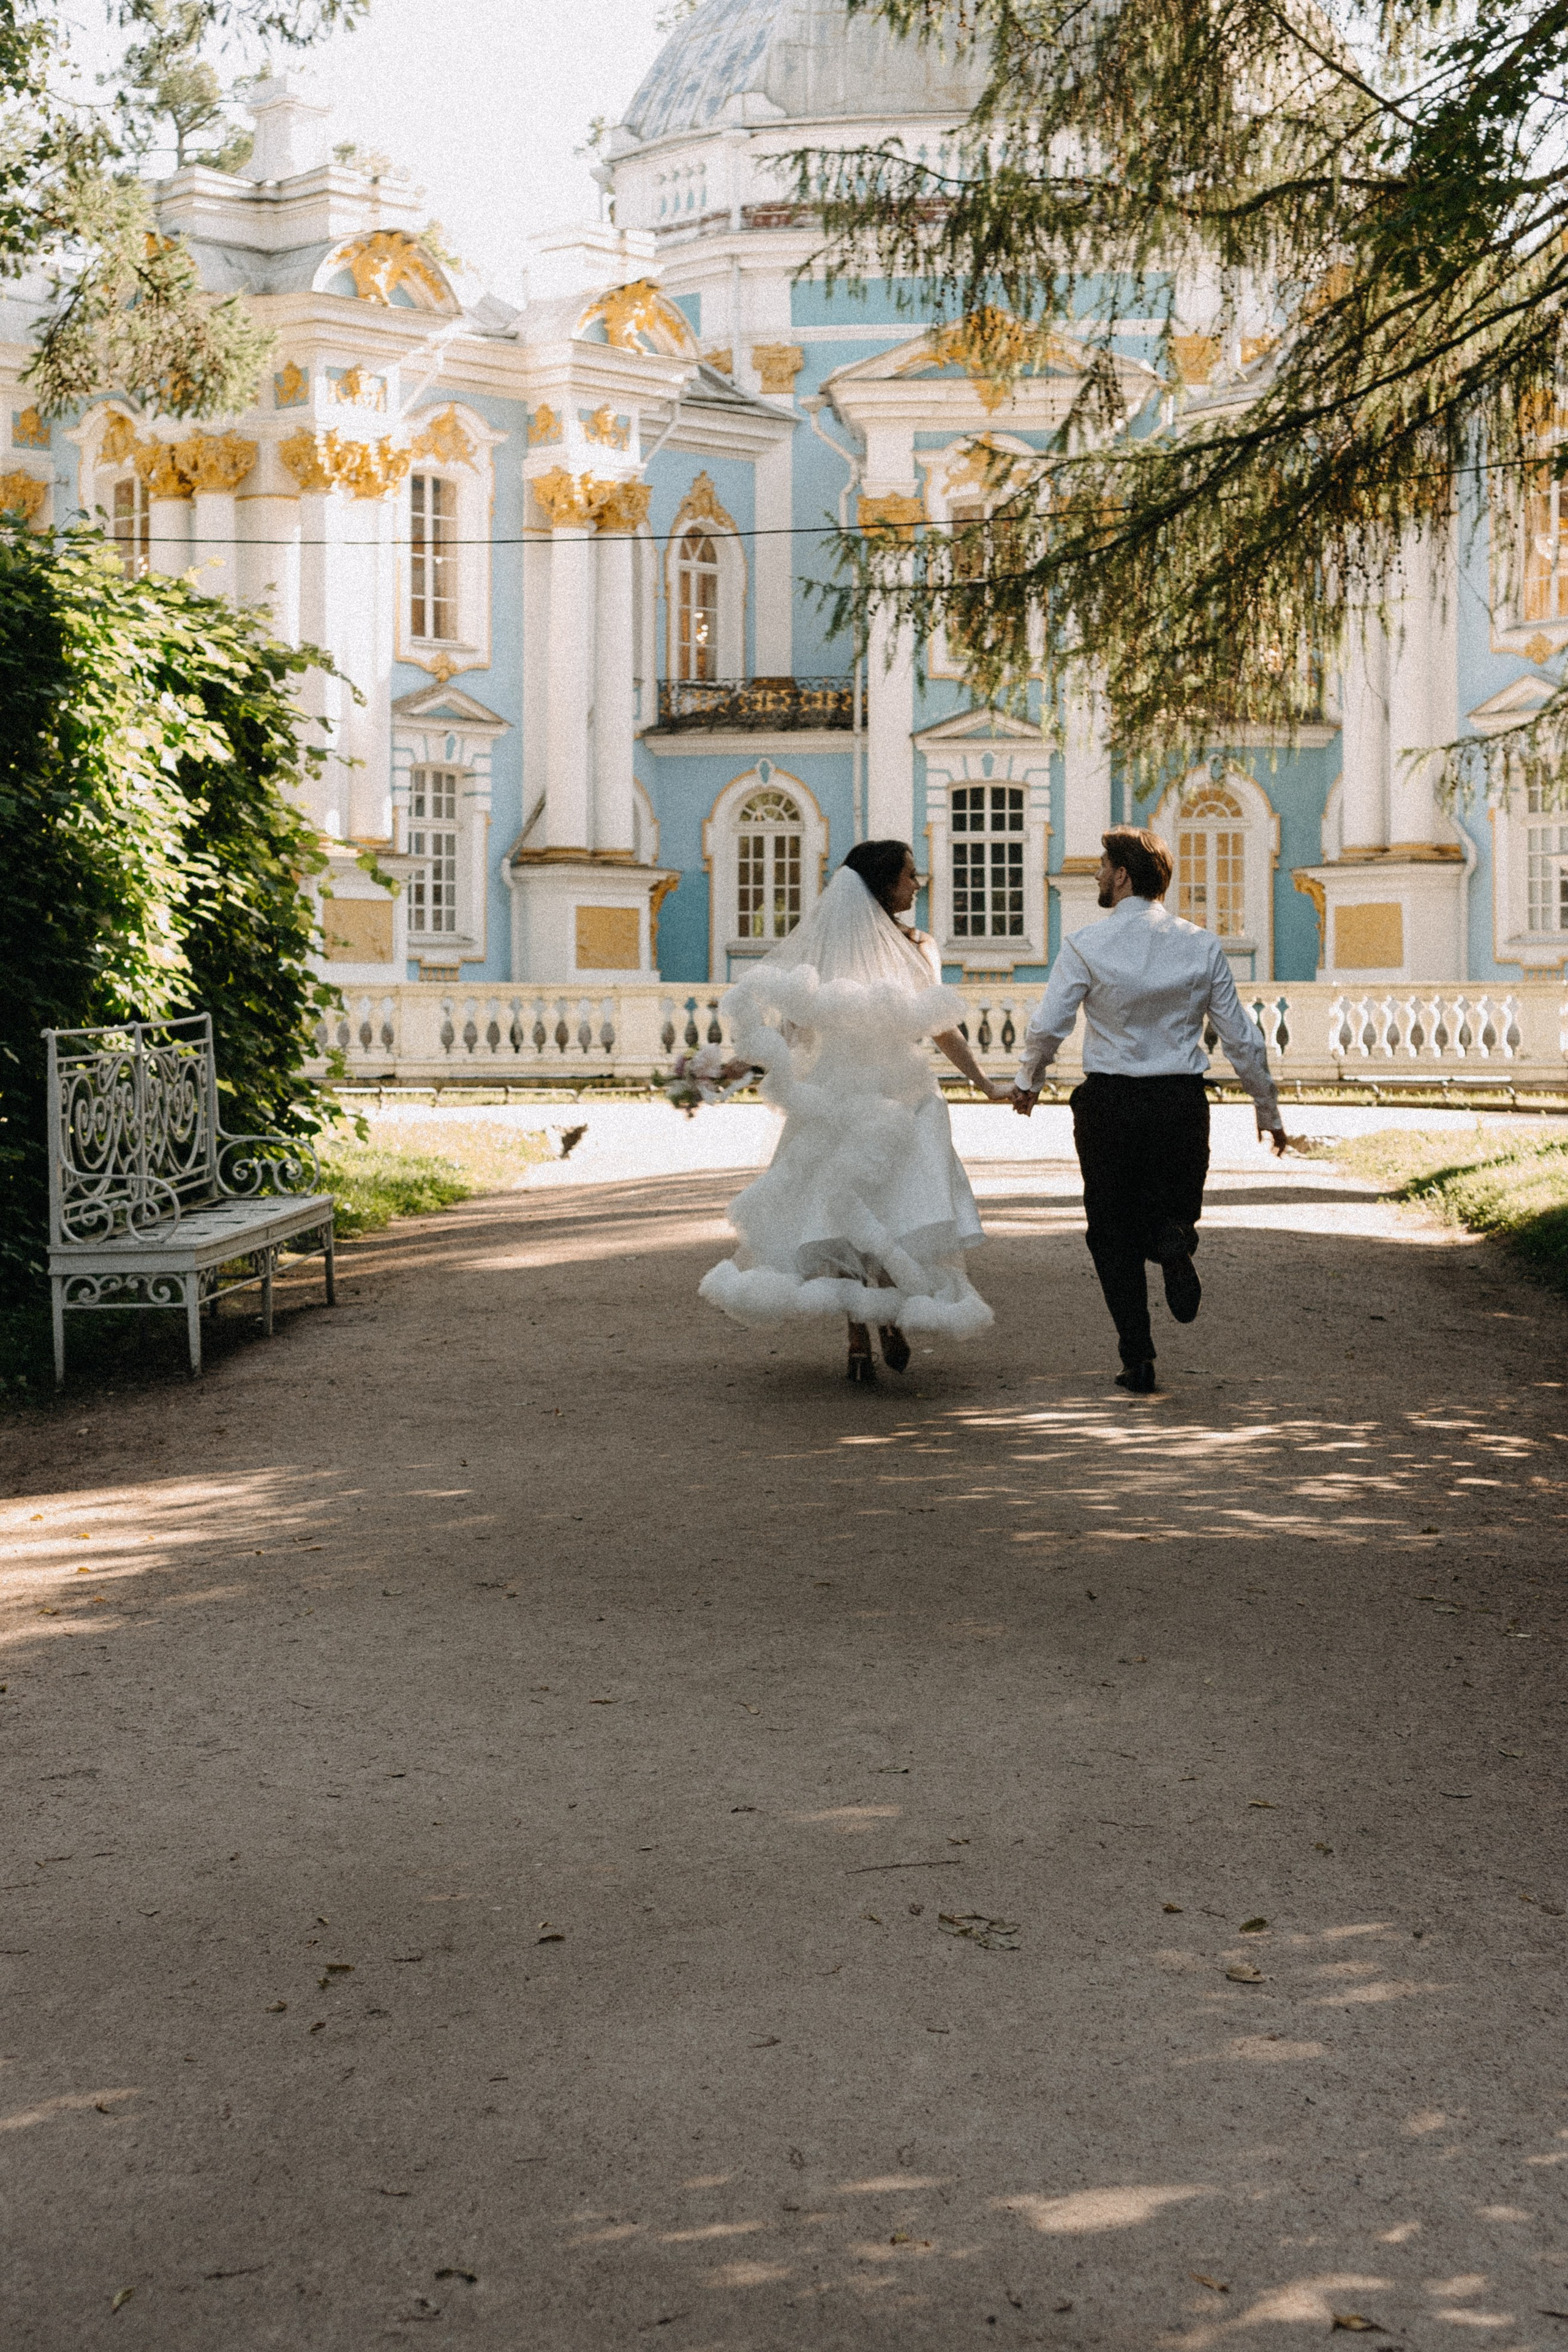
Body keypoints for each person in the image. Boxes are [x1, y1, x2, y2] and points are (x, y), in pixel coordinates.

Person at [699, 840, 1007, 1381]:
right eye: (910, 876)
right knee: (852, 1212)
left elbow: (936, 1025)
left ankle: (871, 1329)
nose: (918, 884)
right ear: (884, 884)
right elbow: (796, 1031)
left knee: (879, 1208)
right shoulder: (901, 947)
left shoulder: (894, 945)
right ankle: (862, 1330)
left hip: (881, 1097)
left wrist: (982, 1081)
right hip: (867, 1098)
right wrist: (734, 1068)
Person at [1011, 825, 1287, 1395]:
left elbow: (1049, 1025)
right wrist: (1267, 1109)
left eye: (1101, 865)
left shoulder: (1085, 944)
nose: (1094, 874)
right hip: (1179, 1103)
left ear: (1123, 875)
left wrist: (1028, 1079)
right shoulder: (1202, 944)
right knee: (1173, 1210)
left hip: (1109, 1103)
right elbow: (1241, 1037)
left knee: (1110, 1232)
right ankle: (1173, 1242)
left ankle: (1137, 1356)